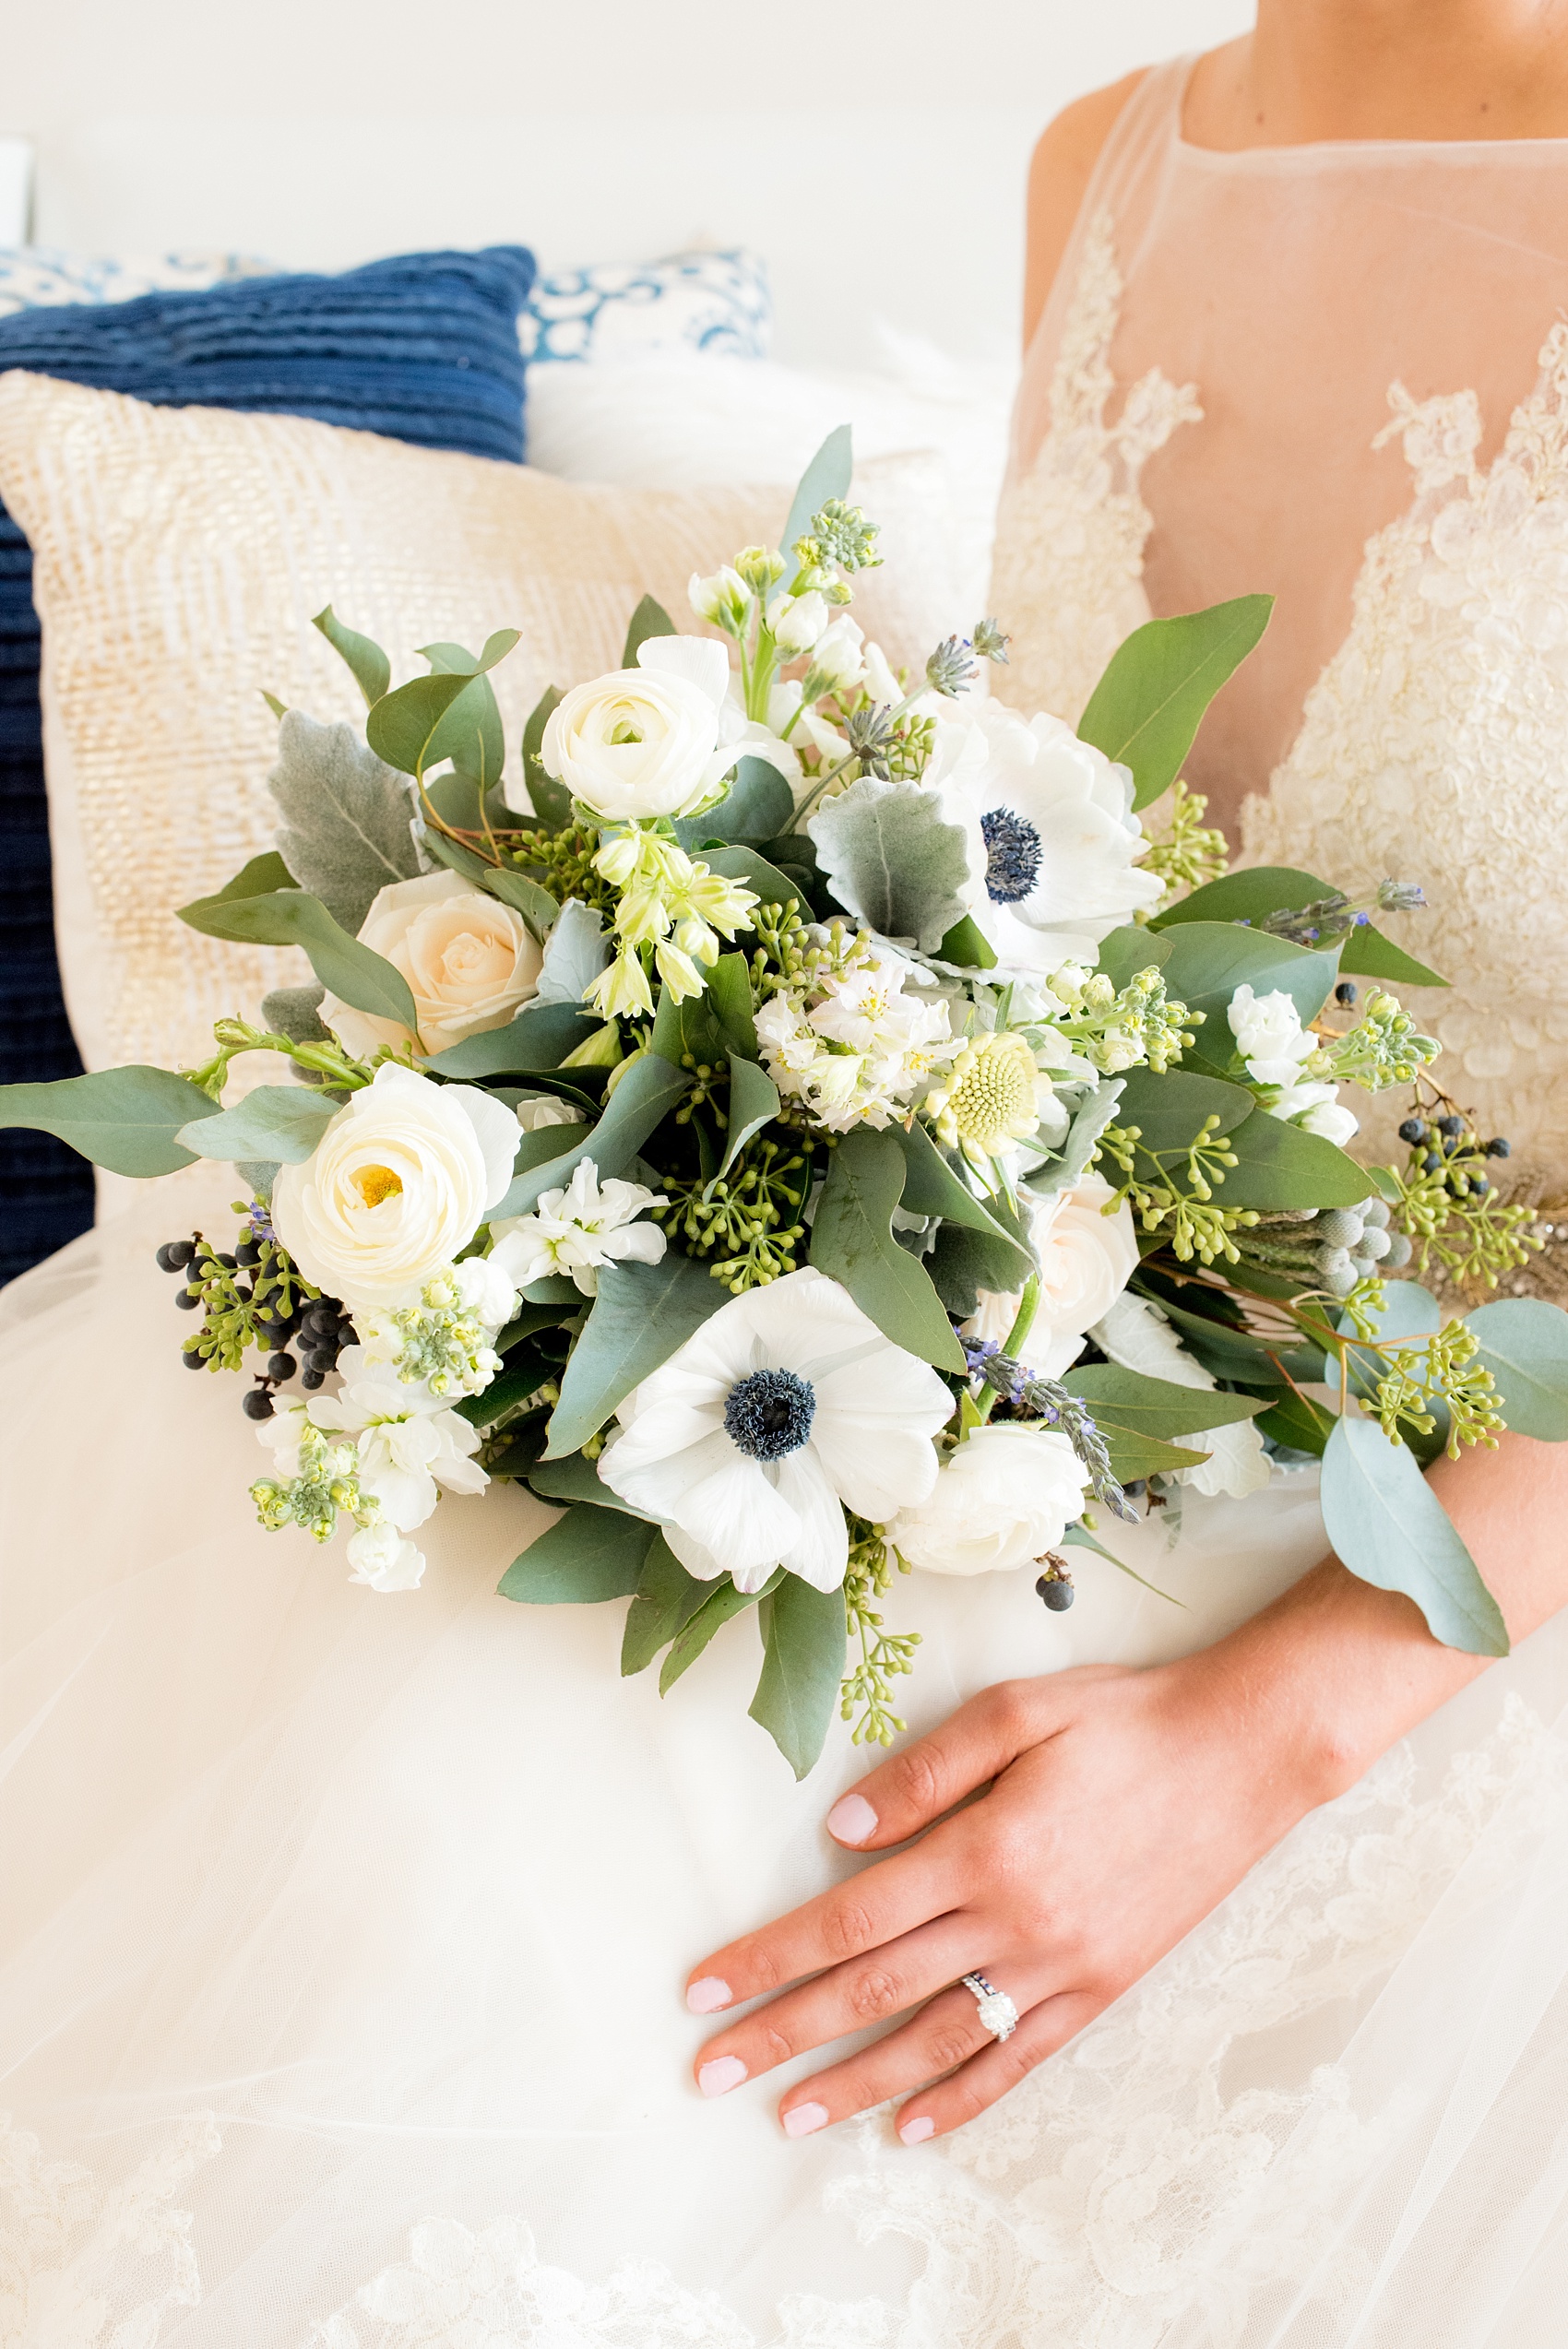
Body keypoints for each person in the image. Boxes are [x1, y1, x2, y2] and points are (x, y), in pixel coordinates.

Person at [6, 6, 1568, 2343]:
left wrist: (1250, 1749)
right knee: (393, 1644)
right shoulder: (1107, 156)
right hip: (1082, 1344)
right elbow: (1061, 838)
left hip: (1473, 1510)